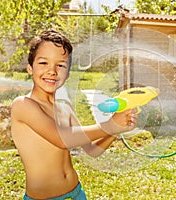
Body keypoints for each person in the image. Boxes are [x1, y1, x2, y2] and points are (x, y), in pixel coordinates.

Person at [11, 29, 138, 200]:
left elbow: (92, 150)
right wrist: (109, 125)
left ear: (68, 73)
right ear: (29, 68)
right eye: (43, 63)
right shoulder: (23, 105)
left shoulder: (65, 108)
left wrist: (116, 129)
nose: (52, 71)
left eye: (61, 65)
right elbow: (62, 139)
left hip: (76, 193)